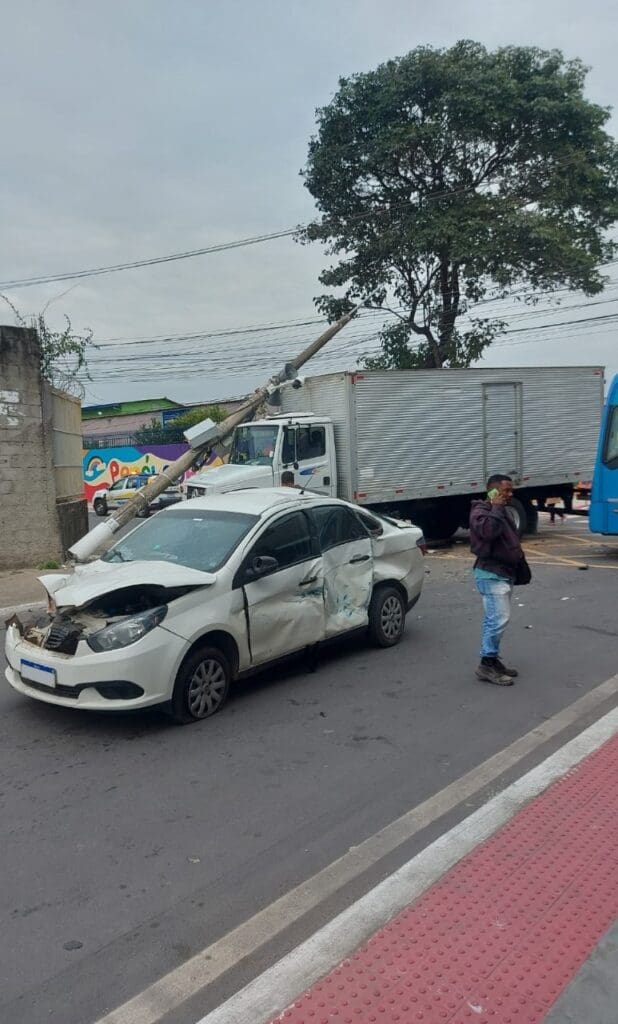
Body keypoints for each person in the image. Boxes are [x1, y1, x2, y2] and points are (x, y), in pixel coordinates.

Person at [469, 474, 526, 686]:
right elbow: (489, 532)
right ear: (493, 492)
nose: (510, 495)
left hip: (504, 573)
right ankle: (486, 664)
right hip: (490, 574)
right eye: (506, 491)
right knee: (499, 619)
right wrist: (496, 507)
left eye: (511, 491)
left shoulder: (500, 510)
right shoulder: (480, 512)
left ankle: (492, 660)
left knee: (494, 619)